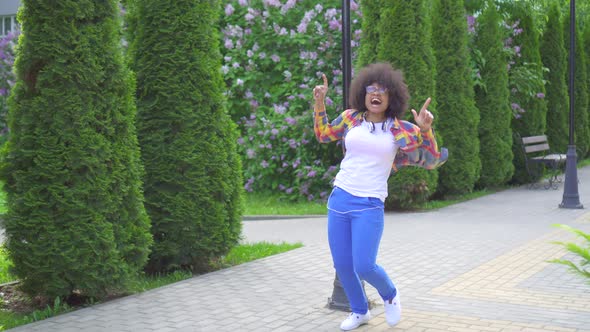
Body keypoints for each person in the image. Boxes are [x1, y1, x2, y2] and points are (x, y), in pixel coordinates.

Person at [312, 62, 447, 331]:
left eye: (383, 91)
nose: (376, 94)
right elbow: (323, 134)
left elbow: (432, 160)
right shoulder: (351, 118)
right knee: (343, 265)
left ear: (391, 98)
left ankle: (390, 294)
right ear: (363, 94)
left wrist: (426, 130)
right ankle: (360, 312)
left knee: (364, 264)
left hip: (369, 204)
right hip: (340, 200)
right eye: (371, 89)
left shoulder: (401, 128)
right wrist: (319, 103)